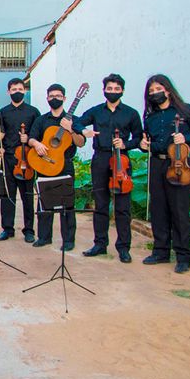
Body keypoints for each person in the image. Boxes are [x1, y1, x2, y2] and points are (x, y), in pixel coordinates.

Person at [139, 74, 190, 274]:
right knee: (158, 209)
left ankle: (183, 256)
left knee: (179, 210)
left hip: (179, 163)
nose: (155, 93)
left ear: (168, 90)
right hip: (157, 163)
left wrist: (185, 138)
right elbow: (148, 142)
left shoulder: (186, 110)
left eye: (158, 89)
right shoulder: (150, 117)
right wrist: (144, 145)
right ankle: (160, 251)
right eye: (151, 91)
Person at [75, 74, 143, 263]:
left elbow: (139, 137)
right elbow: (77, 121)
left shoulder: (131, 113)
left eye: (116, 89)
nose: (113, 91)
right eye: (109, 88)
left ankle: (123, 247)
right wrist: (84, 131)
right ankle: (100, 244)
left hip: (122, 160)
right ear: (104, 90)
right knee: (101, 203)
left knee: (122, 207)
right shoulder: (96, 111)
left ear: (122, 90)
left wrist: (126, 144)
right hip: (101, 158)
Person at [28, 84, 86, 251]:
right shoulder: (41, 120)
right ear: (47, 98)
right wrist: (37, 144)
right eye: (52, 96)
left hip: (64, 165)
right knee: (44, 203)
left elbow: (81, 143)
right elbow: (31, 138)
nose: (55, 99)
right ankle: (44, 237)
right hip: (45, 163)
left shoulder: (74, 120)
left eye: (58, 96)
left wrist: (71, 130)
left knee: (67, 204)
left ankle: (68, 240)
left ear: (64, 98)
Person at [0, 78, 40, 243]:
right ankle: (7, 229)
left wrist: (28, 138)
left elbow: (37, 134)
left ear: (25, 90)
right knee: (7, 195)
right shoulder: (3, 112)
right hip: (8, 157)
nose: (17, 92)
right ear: (8, 92)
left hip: (27, 159)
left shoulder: (33, 112)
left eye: (20, 89)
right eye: (14, 89)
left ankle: (29, 230)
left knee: (27, 196)